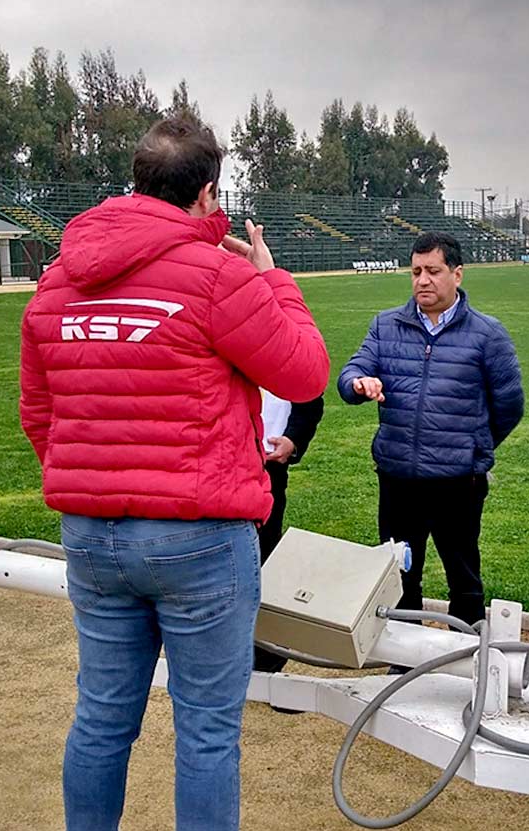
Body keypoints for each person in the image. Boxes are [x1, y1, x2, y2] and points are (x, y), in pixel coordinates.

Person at [18, 114, 329, 831]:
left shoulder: (58, 281)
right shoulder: (219, 277)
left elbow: (40, 414)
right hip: (199, 535)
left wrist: (97, 486)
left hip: (93, 533)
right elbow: (305, 372)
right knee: (207, 733)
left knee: (101, 718)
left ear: (138, 180)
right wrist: (273, 278)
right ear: (208, 192)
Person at [338, 232, 524, 628]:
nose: (423, 280)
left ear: (457, 274)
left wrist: (474, 445)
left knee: (464, 578)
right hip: (398, 478)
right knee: (400, 577)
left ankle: (468, 652)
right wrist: (357, 383)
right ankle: (403, 656)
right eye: (416, 271)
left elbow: (509, 405)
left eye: (433, 271)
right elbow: (351, 372)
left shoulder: (488, 334)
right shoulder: (386, 325)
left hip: (458, 481)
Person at [253, 392, 325, 673]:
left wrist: (293, 439)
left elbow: (309, 398)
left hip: (268, 466)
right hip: (214, 464)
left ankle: (266, 657)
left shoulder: (283, 360)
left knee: (266, 559)